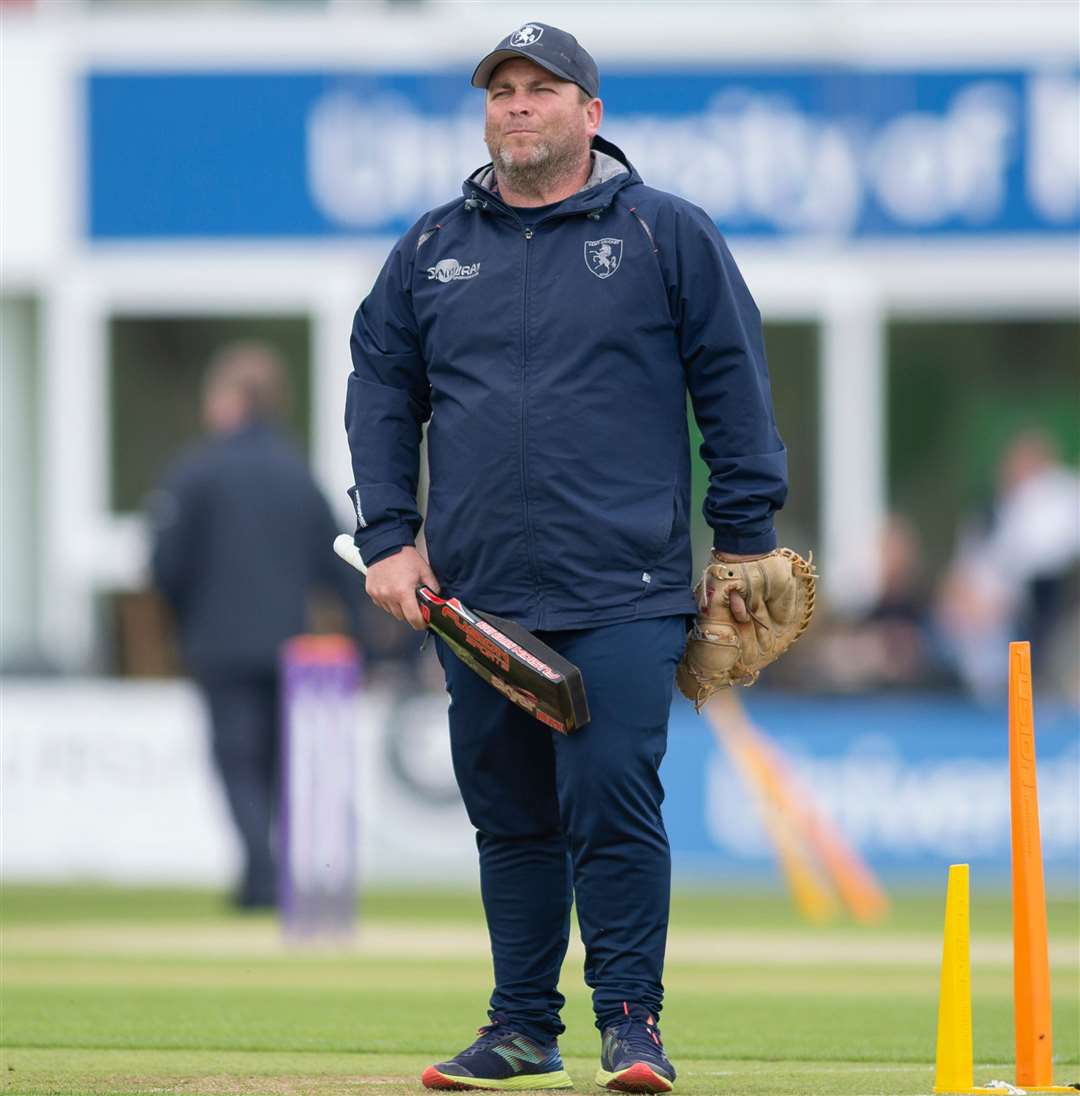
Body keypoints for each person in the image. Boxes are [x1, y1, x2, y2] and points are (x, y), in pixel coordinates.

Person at [345, 23, 787, 1093]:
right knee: (509, 812)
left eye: (543, 89)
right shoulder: (429, 248)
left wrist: (746, 537)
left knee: (610, 798)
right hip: (478, 591)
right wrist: (390, 536)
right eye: (502, 90)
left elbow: (732, 384)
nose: (518, 105)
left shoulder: (664, 234)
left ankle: (631, 1025)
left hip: (625, 587)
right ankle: (520, 1027)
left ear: (591, 113)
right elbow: (379, 387)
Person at [151, 342, 356, 909]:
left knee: (237, 763)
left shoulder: (195, 472)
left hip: (218, 644)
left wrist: (182, 615)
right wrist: (362, 634)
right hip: (289, 643)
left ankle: (261, 876)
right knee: (278, 764)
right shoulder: (297, 474)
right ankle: (272, 874)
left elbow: (165, 563)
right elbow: (336, 559)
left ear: (231, 399)